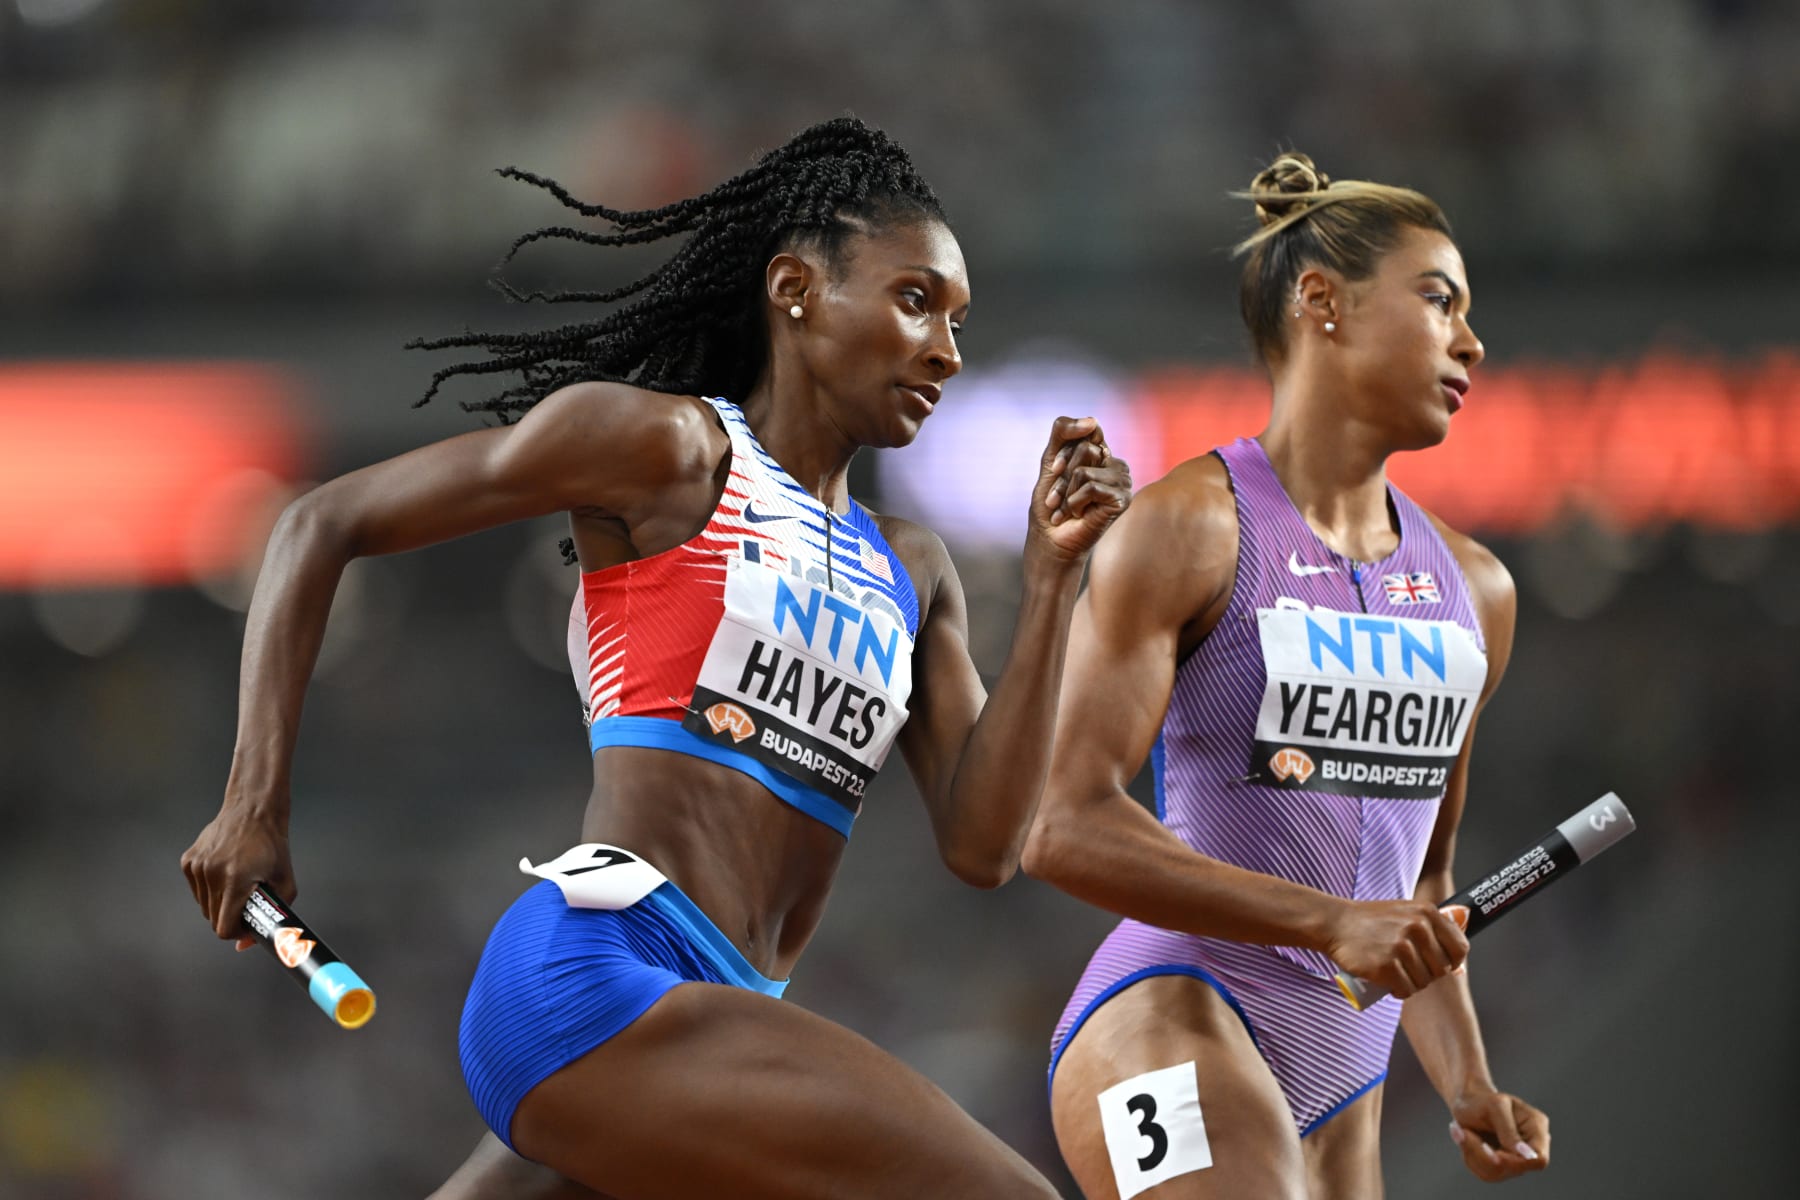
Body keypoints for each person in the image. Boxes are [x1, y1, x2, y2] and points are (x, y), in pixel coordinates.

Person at [180, 116, 1131, 1199]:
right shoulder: (668, 452)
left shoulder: (913, 573)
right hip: (596, 980)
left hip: (712, 1017)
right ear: (796, 290)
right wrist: (253, 802)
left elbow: (985, 842)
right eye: (916, 300)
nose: (947, 351)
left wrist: (1055, 585)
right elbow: (318, 525)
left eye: (959, 320)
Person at [1022, 152, 1550, 1199]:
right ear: (1323, 303)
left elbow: (1423, 890)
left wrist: (1467, 1082)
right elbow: (1064, 826)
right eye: (1440, 300)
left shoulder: (1478, 592)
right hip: (1172, 1017)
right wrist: (1329, 922)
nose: (1473, 342)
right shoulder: (1187, 529)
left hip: (1346, 1077)